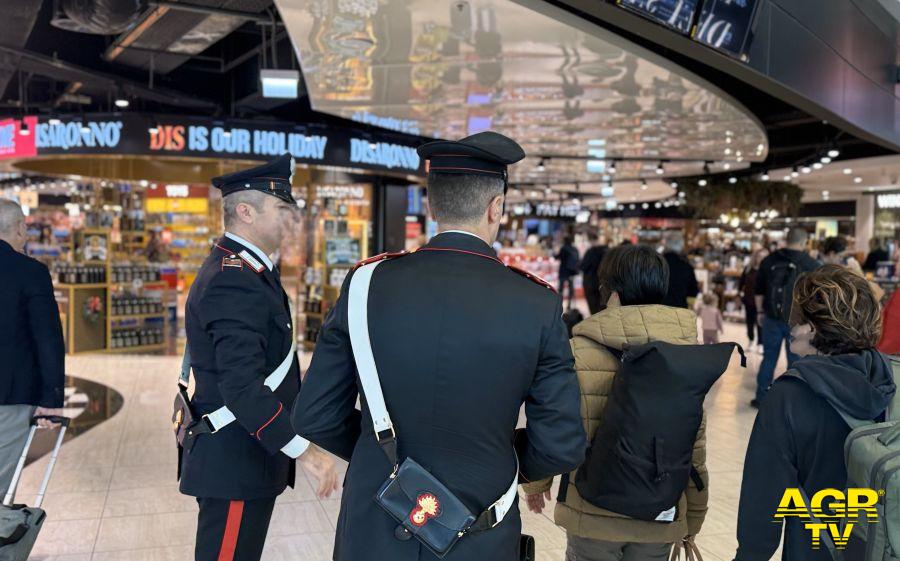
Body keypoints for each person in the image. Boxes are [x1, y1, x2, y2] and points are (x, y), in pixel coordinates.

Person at [292, 131, 586, 561]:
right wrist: (492, 458)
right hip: (479, 527)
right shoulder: (536, 303)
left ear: (431, 206)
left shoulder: (365, 285)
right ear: (496, 207)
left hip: (376, 520)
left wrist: (382, 454)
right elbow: (561, 444)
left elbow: (314, 414)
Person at [180, 154, 338, 561]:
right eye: (282, 209)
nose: (292, 220)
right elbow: (242, 387)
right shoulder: (235, 279)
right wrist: (303, 450)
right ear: (246, 212)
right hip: (236, 461)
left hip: (245, 452)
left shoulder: (249, 270)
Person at [523, 244, 707, 561]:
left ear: (612, 294)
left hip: (592, 512)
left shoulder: (578, 351)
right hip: (659, 512)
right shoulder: (684, 357)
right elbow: (694, 446)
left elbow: (554, 424)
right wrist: (694, 517)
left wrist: (537, 484)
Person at [735, 265, 894, 561]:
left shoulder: (790, 395)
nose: (789, 324)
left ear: (814, 328)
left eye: (796, 316)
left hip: (815, 549)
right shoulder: (891, 378)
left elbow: (764, 497)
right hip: (881, 545)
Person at [0, 199, 65, 495]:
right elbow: (47, 338)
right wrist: (51, 398)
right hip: (10, 397)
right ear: (18, 229)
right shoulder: (30, 272)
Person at [752, 227, 820, 408]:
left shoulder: (769, 260)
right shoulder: (812, 264)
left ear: (786, 239)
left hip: (771, 318)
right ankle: (793, 402)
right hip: (798, 323)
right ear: (804, 241)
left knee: (769, 358)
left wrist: (759, 312)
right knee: (795, 362)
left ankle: (761, 397)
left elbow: (759, 290)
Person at [739, 249, 767, 352]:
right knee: (749, 323)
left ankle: (760, 343)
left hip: (762, 302)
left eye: (764, 257)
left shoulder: (767, 270)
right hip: (749, 300)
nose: (762, 259)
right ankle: (751, 340)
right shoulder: (748, 269)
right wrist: (740, 295)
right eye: (760, 256)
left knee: (760, 323)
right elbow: (741, 283)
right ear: (755, 257)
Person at [661, 233, 699, 309]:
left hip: (658, 310)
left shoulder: (657, 264)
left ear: (666, 245)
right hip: (680, 309)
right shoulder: (686, 266)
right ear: (681, 246)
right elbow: (693, 291)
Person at [579, 233, 607, 315]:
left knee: (593, 307)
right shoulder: (606, 251)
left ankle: (594, 319)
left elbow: (583, 267)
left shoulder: (590, 252)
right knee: (603, 306)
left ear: (591, 241)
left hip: (590, 282)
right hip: (603, 283)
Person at [557, 235, 580, 309]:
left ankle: (559, 304)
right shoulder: (575, 249)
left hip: (563, 271)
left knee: (561, 289)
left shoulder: (563, 248)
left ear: (564, 241)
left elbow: (558, 257)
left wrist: (554, 255)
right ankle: (569, 304)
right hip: (571, 272)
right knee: (571, 288)